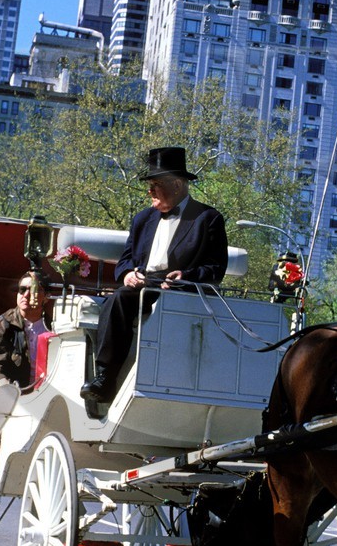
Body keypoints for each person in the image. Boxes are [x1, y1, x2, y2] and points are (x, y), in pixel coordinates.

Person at [80, 146, 228, 409]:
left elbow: (216, 269)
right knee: (118, 299)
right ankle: (105, 377)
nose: (149, 191)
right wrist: (127, 274)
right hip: (143, 284)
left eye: (155, 185)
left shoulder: (208, 218)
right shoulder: (142, 219)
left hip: (181, 288)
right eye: (149, 185)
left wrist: (187, 275)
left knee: (131, 300)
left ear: (178, 184)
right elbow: (126, 259)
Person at [0, 272, 46, 391]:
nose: (26, 294)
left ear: (46, 296)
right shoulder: (1, 325)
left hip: (49, 394)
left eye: (33, 290)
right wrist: (4, 386)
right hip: (14, 396)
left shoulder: (55, 327)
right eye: (22, 289)